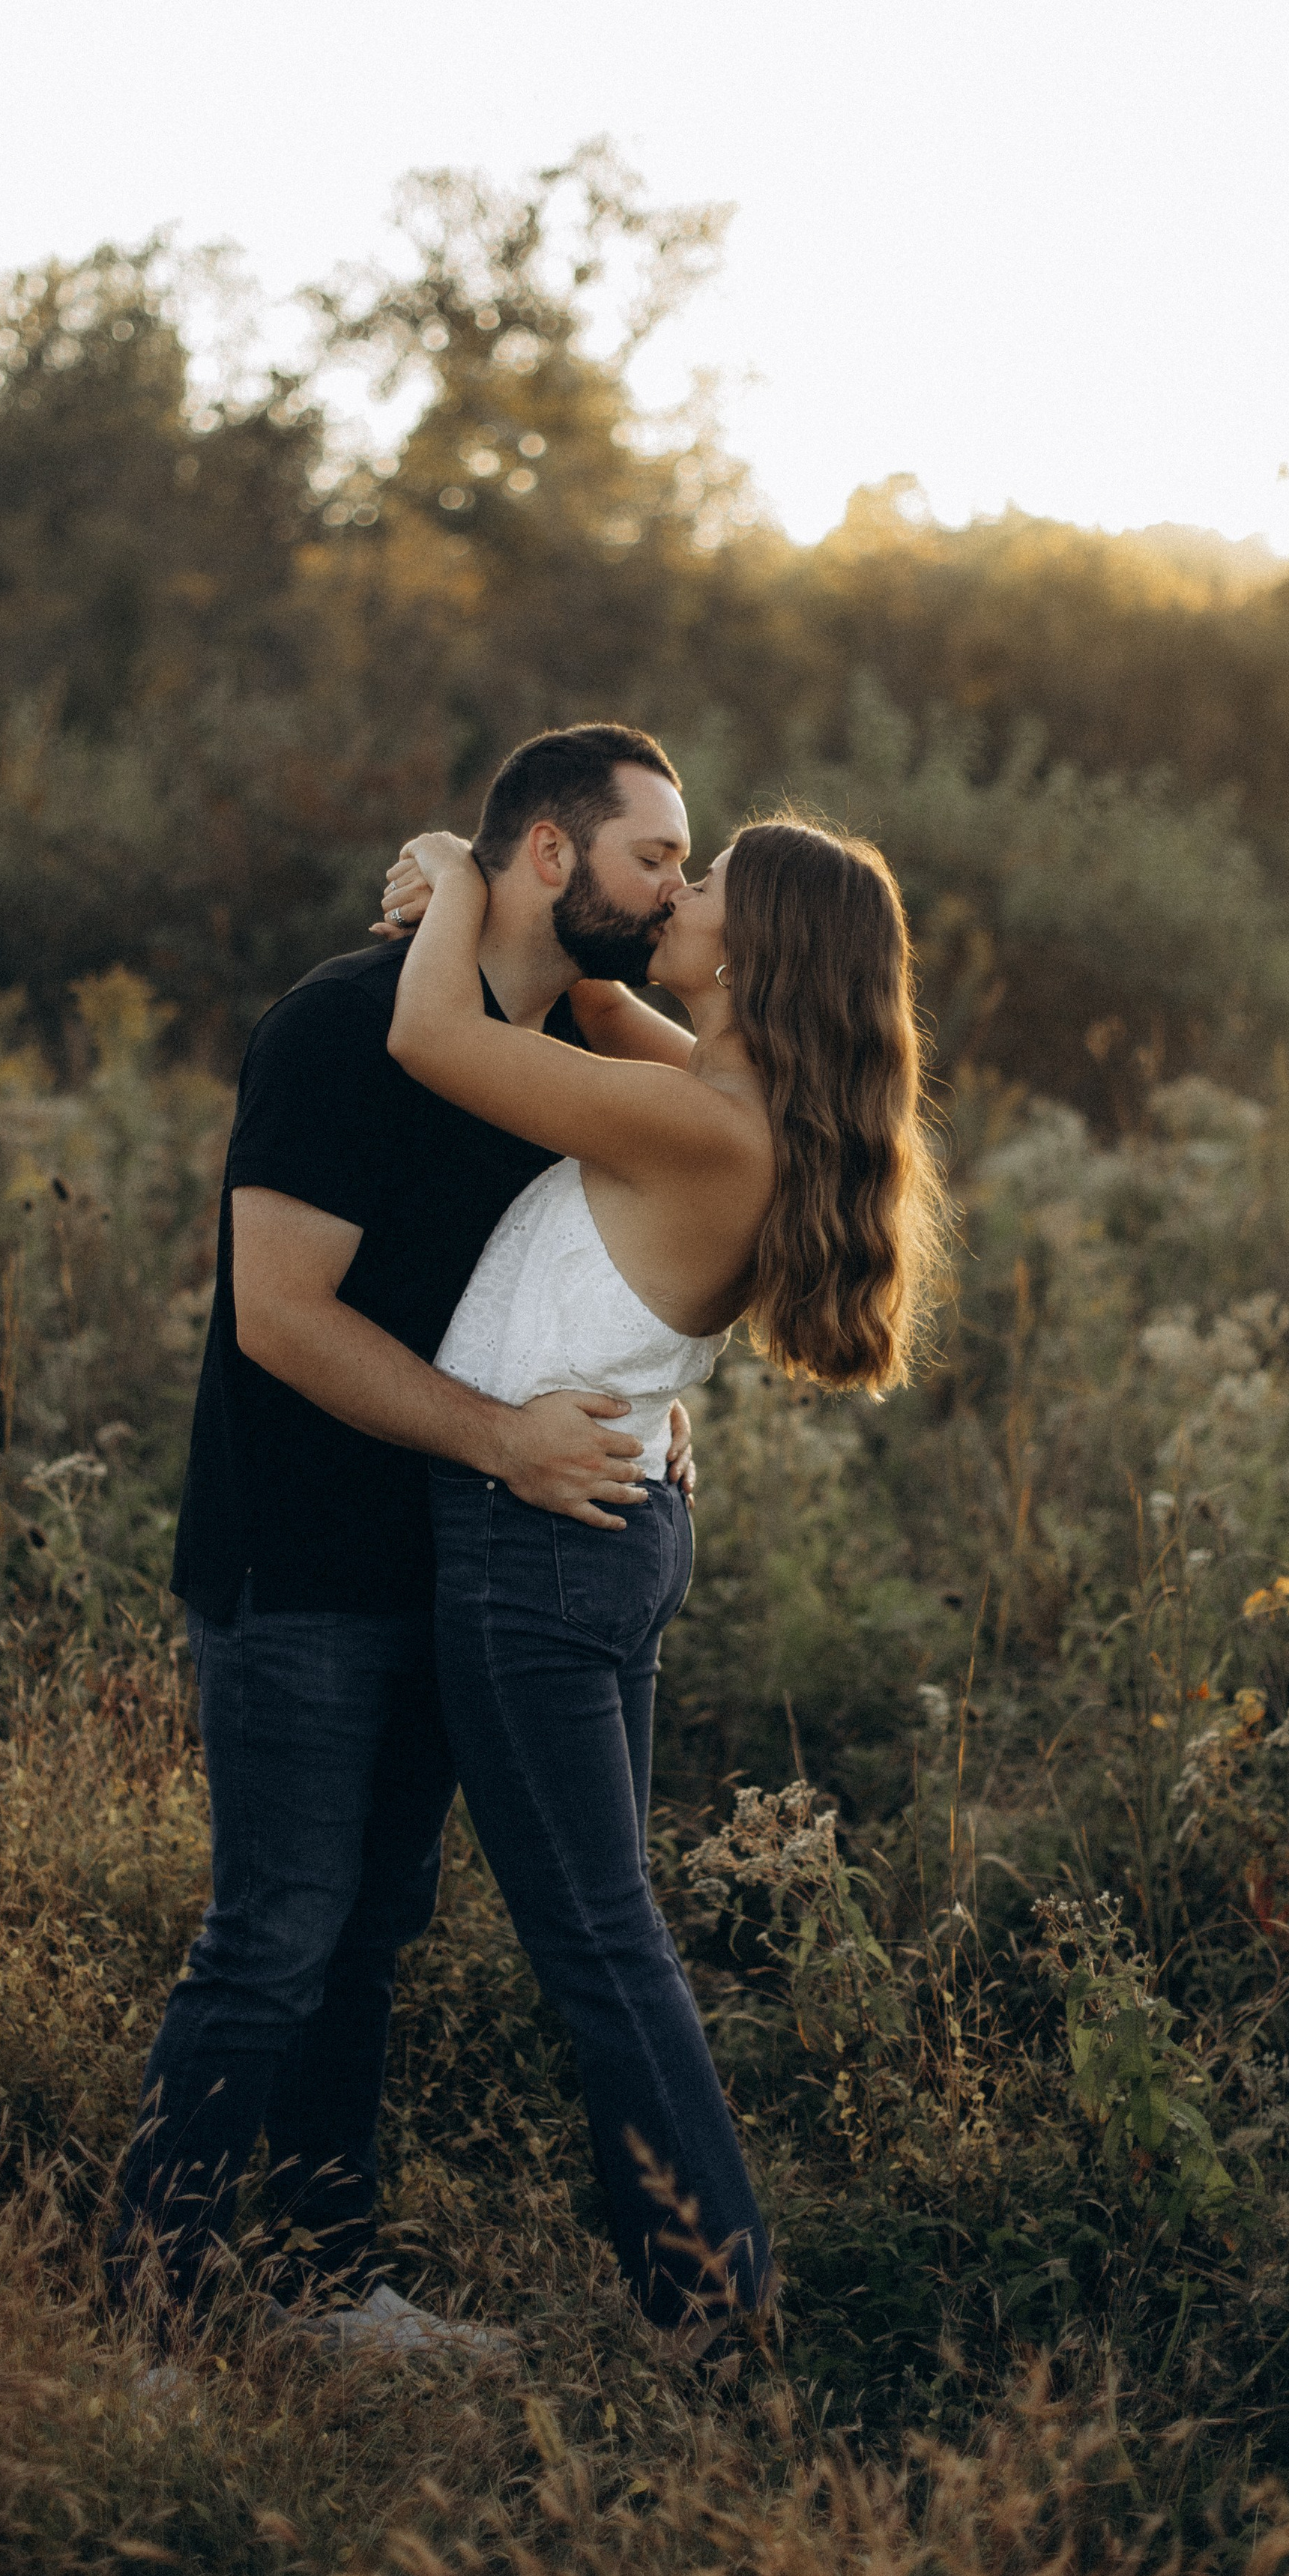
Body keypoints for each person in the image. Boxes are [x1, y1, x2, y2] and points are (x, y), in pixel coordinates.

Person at [107, 724, 701, 2339]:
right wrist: (502, 1440)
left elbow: (611, 1257)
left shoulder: (548, 1049)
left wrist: (641, 1399)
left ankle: (318, 2285)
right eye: (654, 854)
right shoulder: (341, 1025)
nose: (674, 887)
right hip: (299, 1555)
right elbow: (281, 1321)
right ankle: (141, 2329)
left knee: (367, 1931)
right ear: (553, 855)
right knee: (269, 1941)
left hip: (457, 1553)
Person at [375, 808, 951, 2336]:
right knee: (602, 1923)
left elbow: (438, 1034)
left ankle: (711, 2295)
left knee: (595, 1939)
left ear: (755, 952)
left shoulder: (703, 1121)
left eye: (702, 886)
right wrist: (550, 906)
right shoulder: (715, 1087)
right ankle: (694, 2277)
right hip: (596, 1527)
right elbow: (582, 998)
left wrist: (449, 879)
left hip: (534, 1547)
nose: (676, 895)